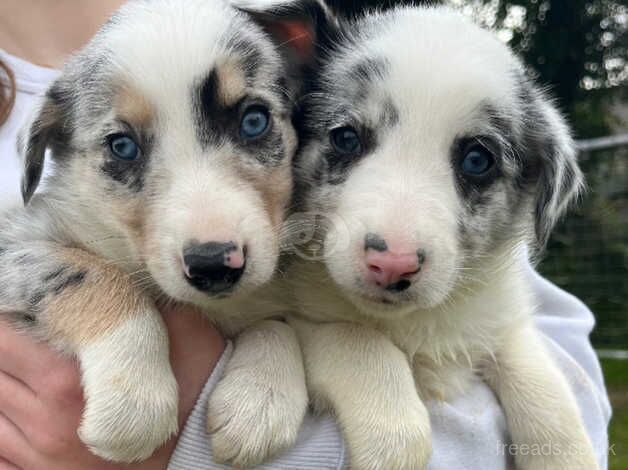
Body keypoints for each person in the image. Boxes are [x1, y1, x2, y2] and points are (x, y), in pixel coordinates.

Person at [0, 2, 611, 469]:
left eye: (255, 120)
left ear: (297, 98)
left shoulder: (281, 31)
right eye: (123, 146)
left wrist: (193, 442)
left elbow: (567, 380)